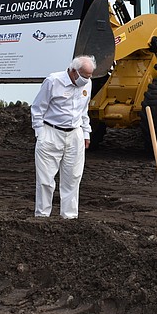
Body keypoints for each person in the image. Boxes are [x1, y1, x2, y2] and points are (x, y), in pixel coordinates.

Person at [30, 55, 95, 219]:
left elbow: (84, 110)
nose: (87, 79)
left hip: (75, 134)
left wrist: (86, 132)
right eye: (84, 75)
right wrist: (40, 133)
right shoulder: (53, 81)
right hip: (51, 132)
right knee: (45, 178)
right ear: (74, 71)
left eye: (90, 76)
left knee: (73, 177)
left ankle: (69, 217)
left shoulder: (88, 83)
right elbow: (38, 108)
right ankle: (42, 216)